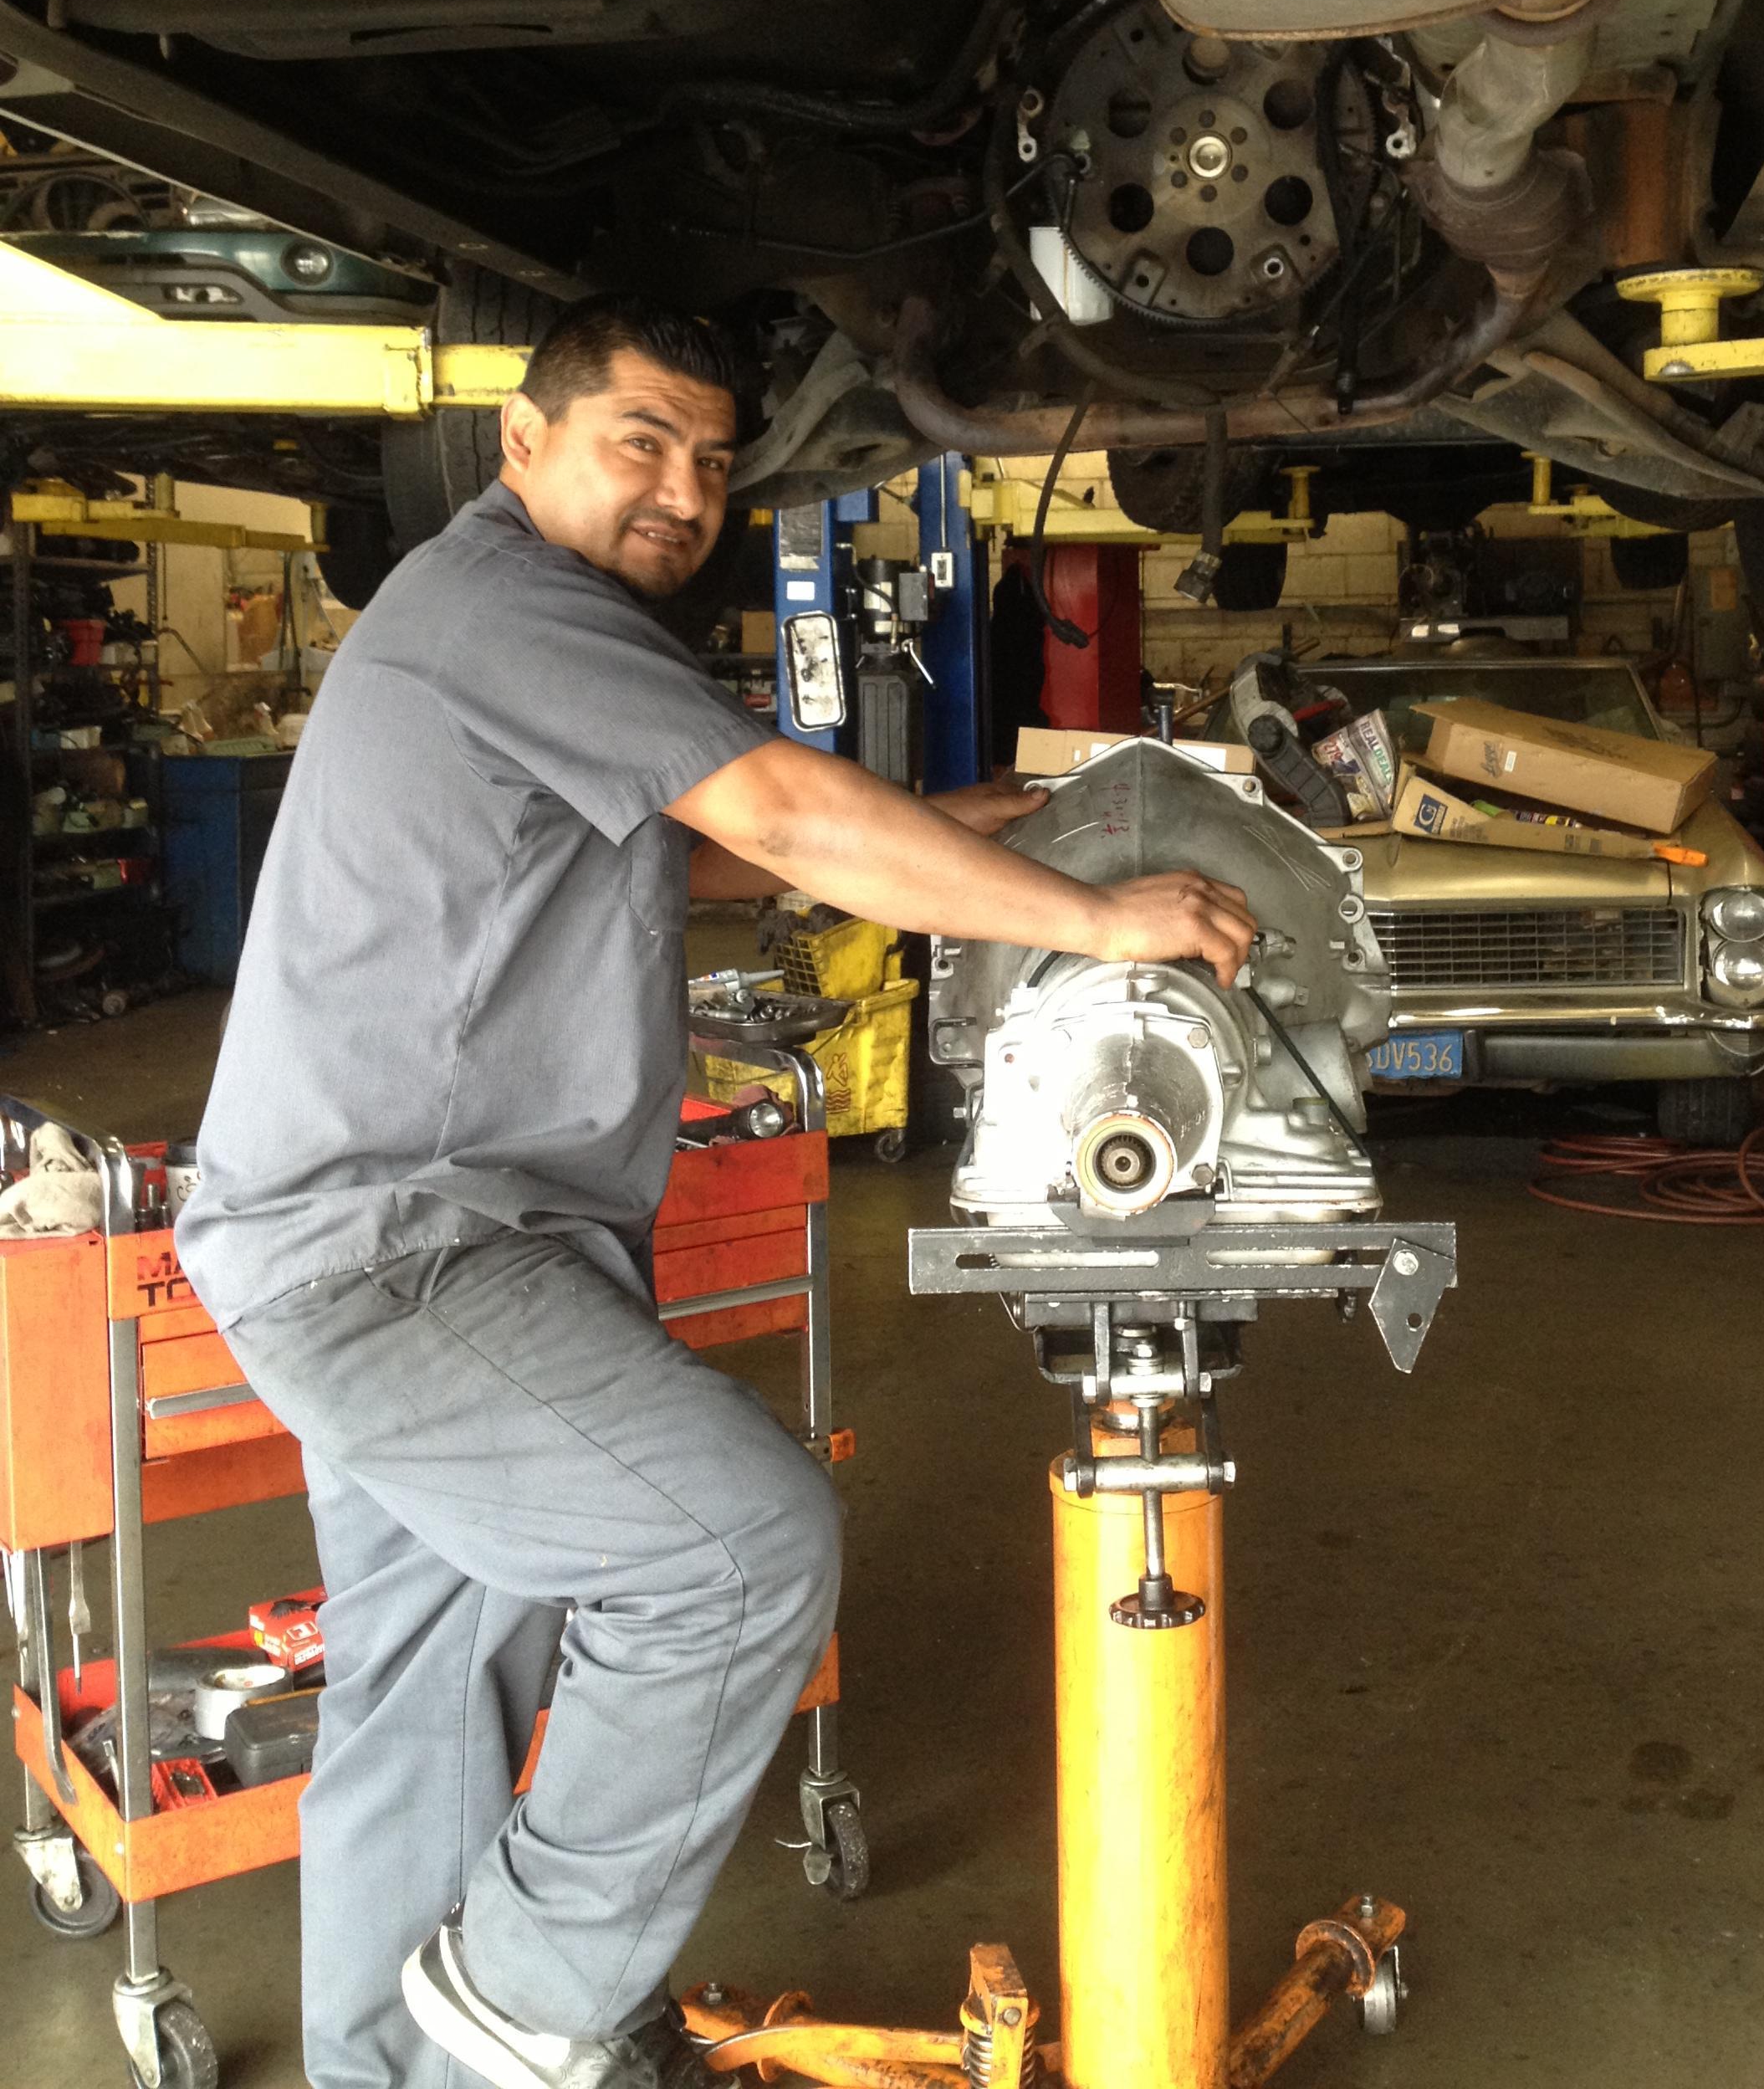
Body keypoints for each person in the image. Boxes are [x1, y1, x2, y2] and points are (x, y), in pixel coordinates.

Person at [176, 295, 1255, 2089]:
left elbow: (735, 828)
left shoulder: (526, 633)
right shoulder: (507, 602)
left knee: (423, 1693)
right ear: (521, 446)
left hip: (361, 1232)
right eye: (638, 443)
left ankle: (411, 2072)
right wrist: (1092, 919)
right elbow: (778, 812)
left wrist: (1033, 825)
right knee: (741, 1550)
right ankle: (527, 1999)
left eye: (711, 457)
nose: (682, 488)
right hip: (411, 1250)